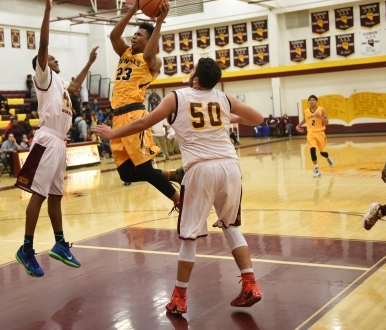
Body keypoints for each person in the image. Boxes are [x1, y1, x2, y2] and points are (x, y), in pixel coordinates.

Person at [93, 57, 264, 313]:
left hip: (200, 169)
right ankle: (250, 284)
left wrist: (113, 133)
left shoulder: (177, 96)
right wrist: (225, 117)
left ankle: (179, 298)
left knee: (189, 237)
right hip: (230, 166)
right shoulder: (224, 98)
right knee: (230, 226)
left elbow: (143, 122)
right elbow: (258, 118)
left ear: (195, 78)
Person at [14, 0, 97, 277]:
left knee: (56, 195)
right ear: (41, 65)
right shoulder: (44, 78)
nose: (54, 60)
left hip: (61, 143)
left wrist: (89, 63)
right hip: (46, 138)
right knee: (37, 194)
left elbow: (74, 87)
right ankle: (26, 248)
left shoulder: (60, 84)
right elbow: (44, 45)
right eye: (50, 59)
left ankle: (60, 243)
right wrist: (48, 11)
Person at [108, 0, 180, 205]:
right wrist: (132, 9)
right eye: (135, 34)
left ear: (149, 40)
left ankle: (180, 200)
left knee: (146, 169)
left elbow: (149, 55)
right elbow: (114, 36)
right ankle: (172, 175)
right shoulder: (125, 53)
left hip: (133, 114)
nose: (134, 37)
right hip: (117, 116)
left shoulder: (153, 61)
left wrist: (158, 23)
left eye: (139, 35)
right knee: (126, 174)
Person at [296, 95, 335, 177]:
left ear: (316, 101)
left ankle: (328, 158)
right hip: (310, 133)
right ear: (308, 102)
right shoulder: (306, 111)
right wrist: (298, 125)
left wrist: (320, 117)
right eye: (310, 100)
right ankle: (317, 169)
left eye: (313, 100)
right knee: (312, 149)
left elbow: (327, 122)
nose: (312, 101)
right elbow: (305, 120)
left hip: (320, 133)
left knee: (322, 153)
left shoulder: (321, 109)